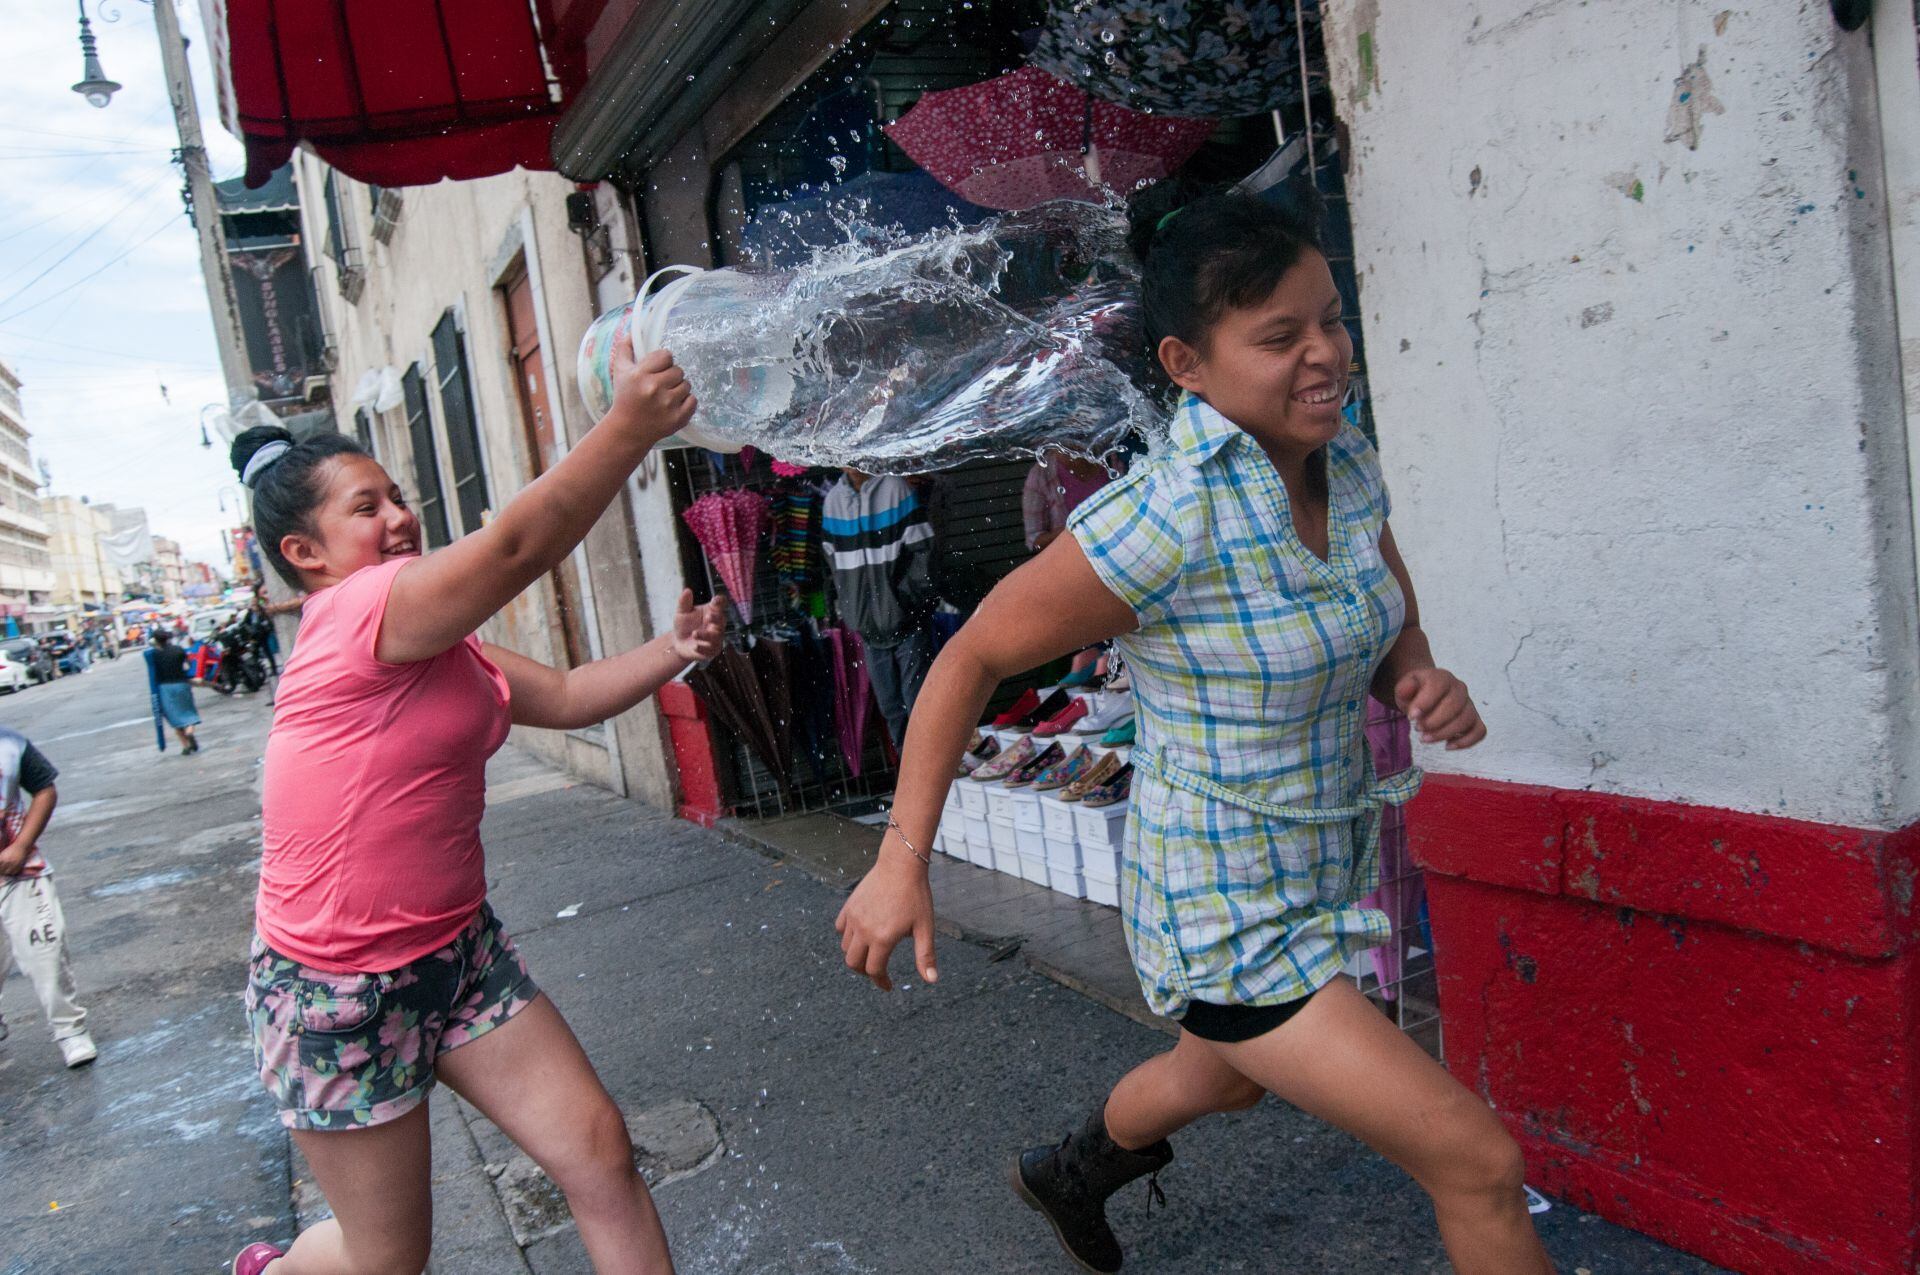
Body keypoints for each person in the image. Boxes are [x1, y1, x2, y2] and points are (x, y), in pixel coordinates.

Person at [834, 192, 1552, 1274]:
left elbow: (1375, 581)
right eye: (1279, 337)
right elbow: (972, 655)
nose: (1325, 355)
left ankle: (1070, 1171)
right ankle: (1080, 1164)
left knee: (1225, 1075)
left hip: (1318, 866)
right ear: (1187, 362)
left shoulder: (1341, 455)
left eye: (1332, 320)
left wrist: (1416, 674)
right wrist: (901, 860)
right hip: (1225, 907)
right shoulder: (1165, 518)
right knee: (1478, 1163)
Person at [229, 340, 721, 1275]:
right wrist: (626, 426)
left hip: (458, 954)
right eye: (365, 508)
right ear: (305, 554)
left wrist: (677, 648)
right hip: (340, 991)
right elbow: (513, 547)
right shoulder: (351, 618)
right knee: (386, 1262)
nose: (401, 517)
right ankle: (280, 1270)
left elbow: (572, 692)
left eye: (398, 495)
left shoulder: (444, 644)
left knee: (601, 1154)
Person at [0, 726, 95, 1069]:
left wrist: (21, 845)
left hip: (16, 872)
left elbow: (44, 788)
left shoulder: (9, 743)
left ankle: (70, 1030)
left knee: (45, 953)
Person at [821, 468, 938, 747]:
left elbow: (924, 551)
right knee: (892, 710)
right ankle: (908, 781)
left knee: (919, 705)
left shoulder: (896, 488)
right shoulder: (833, 501)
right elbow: (833, 563)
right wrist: (851, 609)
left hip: (907, 621)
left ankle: (939, 779)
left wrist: (905, 600)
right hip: (868, 628)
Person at [146, 629, 201, 755]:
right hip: (182, 684)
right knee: (188, 712)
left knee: (174, 717)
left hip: (165, 688)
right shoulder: (178, 649)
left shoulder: (153, 654)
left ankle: (185, 745)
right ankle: (190, 731)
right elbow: (189, 665)